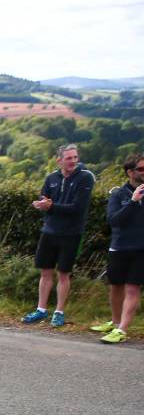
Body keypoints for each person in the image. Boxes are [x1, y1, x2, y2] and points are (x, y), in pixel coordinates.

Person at [21, 144, 97, 328]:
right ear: (59, 160)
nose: (73, 161)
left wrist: (51, 206)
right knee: (45, 272)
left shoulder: (85, 178)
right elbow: (44, 198)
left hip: (71, 234)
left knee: (64, 274)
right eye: (69, 158)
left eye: (75, 157)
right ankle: (41, 310)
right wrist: (41, 204)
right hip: (49, 231)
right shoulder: (51, 178)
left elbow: (78, 208)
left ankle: (59, 312)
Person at [94, 154, 144, 344]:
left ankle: (122, 329)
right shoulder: (118, 194)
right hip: (120, 247)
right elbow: (114, 221)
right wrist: (132, 201)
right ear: (130, 173)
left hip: (141, 249)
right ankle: (115, 322)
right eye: (141, 169)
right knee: (116, 286)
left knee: (132, 288)